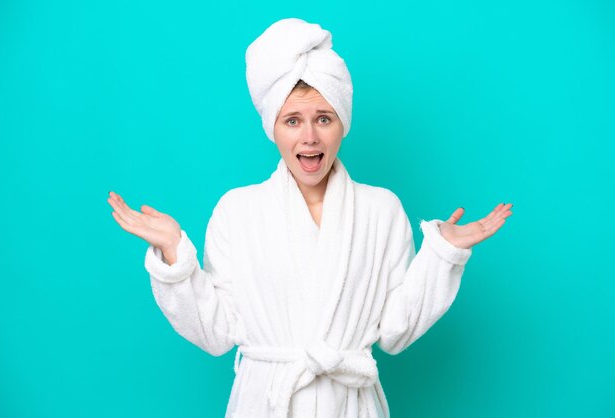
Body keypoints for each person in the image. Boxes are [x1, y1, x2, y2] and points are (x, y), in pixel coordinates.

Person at [107, 17, 512, 418]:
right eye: (293, 121)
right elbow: (215, 333)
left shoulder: (381, 210)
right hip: (265, 403)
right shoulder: (238, 211)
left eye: (323, 118)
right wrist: (174, 256)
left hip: (350, 406)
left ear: (342, 124)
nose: (310, 138)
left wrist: (442, 255)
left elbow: (394, 331)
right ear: (273, 128)